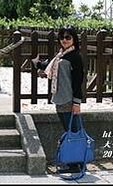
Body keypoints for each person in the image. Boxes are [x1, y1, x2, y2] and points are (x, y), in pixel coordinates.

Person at [32, 25, 85, 172]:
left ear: (74, 39)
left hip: (69, 101)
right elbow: (49, 65)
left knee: (73, 132)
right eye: (62, 37)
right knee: (69, 131)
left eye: (68, 37)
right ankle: (75, 163)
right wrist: (37, 64)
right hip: (59, 99)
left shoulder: (75, 57)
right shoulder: (61, 55)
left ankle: (75, 165)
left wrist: (76, 103)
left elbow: (78, 81)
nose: (64, 40)